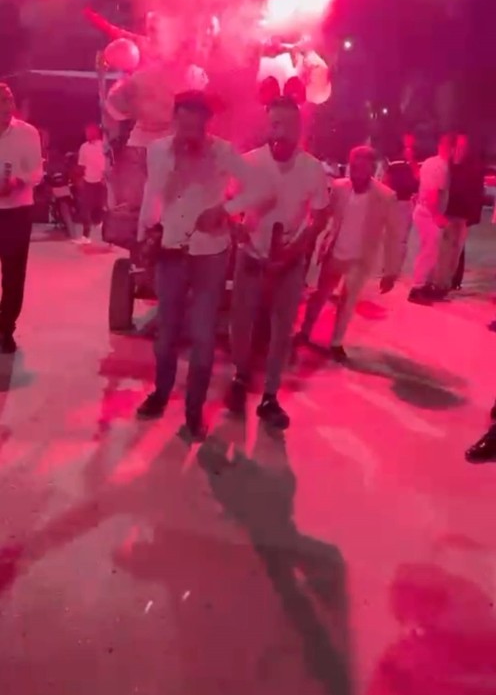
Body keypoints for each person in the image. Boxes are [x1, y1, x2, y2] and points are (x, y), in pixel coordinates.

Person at [136, 90, 271, 438]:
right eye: (184, 125)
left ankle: (194, 411)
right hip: (169, 249)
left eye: (196, 127)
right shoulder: (157, 150)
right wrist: (143, 235)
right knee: (166, 332)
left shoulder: (222, 152)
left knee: (202, 334)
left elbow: (260, 187)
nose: (189, 134)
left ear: (207, 124)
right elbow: (151, 193)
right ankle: (160, 393)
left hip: (210, 253)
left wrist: (225, 209)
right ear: (175, 120)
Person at [225, 96, 329, 431]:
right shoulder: (249, 163)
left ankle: (270, 396)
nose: (281, 132)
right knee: (241, 323)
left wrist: (297, 247)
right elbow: (228, 200)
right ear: (268, 127)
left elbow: (320, 215)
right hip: (252, 256)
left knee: (282, 331)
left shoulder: (312, 168)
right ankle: (239, 378)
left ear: (300, 128)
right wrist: (236, 226)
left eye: (288, 124)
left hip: (289, 262)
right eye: (275, 124)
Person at [297, 146, 401, 362]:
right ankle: (304, 332)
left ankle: (336, 343)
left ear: (371, 168)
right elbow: (324, 216)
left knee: (347, 302)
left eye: (362, 168)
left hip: (360, 259)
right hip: (335, 253)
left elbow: (393, 236)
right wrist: (308, 235)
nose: (356, 172)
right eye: (354, 167)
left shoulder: (386, 197)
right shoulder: (339, 188)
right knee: (319, 296)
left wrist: (391, 271)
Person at [0, 83, 43, 353]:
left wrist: (17, 182)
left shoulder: (27, 133)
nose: (7, 106)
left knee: (14, 275)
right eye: (1, 101)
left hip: (17, 211)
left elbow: (37, 171)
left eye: (9, 100)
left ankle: (5, 328)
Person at [434, 133, 484, 295]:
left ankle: (448, 281)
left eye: (463, 146)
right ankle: (440, 283)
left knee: (455, 251)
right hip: (447, 213)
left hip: (462, 215)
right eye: (458, 145)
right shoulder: (447, 165)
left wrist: (474, 215)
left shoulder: (472, 167)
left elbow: (477, 192)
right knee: (444, 250)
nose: (460, 149)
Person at [408, 133, 453, 305]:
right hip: (429, 212)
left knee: (429, 251)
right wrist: (437, 215)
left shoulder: (429, 162)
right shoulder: (441, 166)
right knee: (428, 252)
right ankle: (417, 288)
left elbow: (419, 178)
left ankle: (424, 285)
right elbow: (433, 191)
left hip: (423, 209)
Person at [383, 132, 419, 271]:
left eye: (411, 143)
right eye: (406, 143)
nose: (408, 146)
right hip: (393, 202)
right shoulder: (394, 162)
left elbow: (418, 180)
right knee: (390, 236)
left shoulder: (416, 162)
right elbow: (386, 179)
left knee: (401, 238)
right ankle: (388, 265)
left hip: (406, 202)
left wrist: (412, 162)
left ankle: (395, 267)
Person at [77, 124, 107, 243]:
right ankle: (86, 236)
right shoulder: (84, 147)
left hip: (102, 181)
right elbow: (82, 165)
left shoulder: (104, 146)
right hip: (88, 180)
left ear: (96, 133)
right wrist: (80, 178)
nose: (87, 134)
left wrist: (106, 177)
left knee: (101, 208)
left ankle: (107, 235)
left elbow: (108, 163)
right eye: (86, 132)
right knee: (85, 208)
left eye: (89, 132)